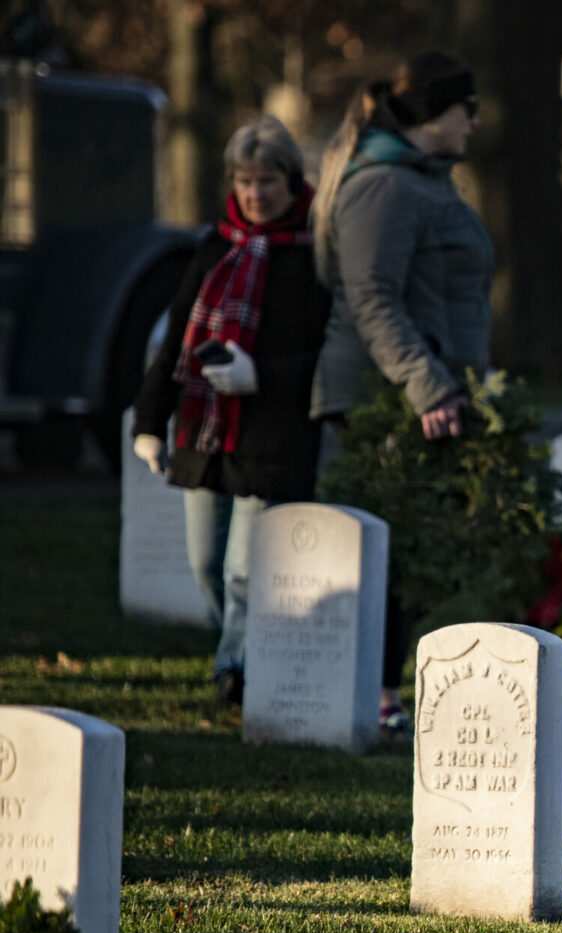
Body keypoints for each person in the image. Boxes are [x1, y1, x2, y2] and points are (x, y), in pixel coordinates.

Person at [310, 50, 491, 734]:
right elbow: (372, 299)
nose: (475, 121)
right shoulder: (383, 187)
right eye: (465, 108)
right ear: (434, 114)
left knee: (415, 556)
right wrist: (427, 387)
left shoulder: (427, 183)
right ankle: (376, 697)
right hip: (383, 401)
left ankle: (386, 693)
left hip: (429, 397)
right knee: (389, 555)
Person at [132, 116, 331, 707]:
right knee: (207, 561)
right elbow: (176, 341)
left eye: (266, 181)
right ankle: (240, 649)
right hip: (206, 428)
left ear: (291, 181)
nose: (254, 194)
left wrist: (261, 375)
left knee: (247, 566)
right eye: (244, 181)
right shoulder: (217, 244)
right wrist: (149, 420)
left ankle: (236, 667)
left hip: (272, 433)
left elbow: (322, 351)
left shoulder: (313, 253)